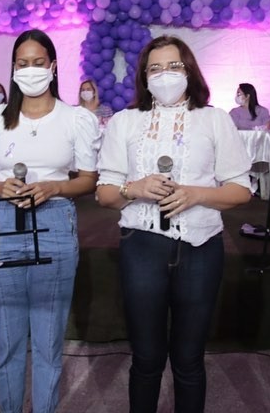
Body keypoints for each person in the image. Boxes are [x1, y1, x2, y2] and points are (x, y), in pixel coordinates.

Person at [96, 35, 252, 412]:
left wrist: (196, 194)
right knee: (146, 358)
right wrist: (134, 188)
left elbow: (240, 190)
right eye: (155, 68)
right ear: (144, 76)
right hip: (142, 247)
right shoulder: (125, 121)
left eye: (173, 66)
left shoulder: (214, 119)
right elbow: (104, 194)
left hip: (201, 247)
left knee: (189, 358)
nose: (164, 74)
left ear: (189, 71)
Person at [0, 29, 100, 413]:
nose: (30, 70)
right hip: (2, 221)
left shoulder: (74, 118)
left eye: (37, 63)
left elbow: (88, 180)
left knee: (48, 343)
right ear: (13, 69)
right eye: (22, 64)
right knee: (8, 342)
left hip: (54, 221)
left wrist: (54, 187)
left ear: (53, 66)